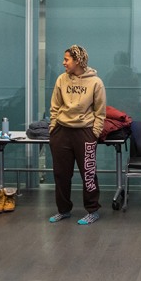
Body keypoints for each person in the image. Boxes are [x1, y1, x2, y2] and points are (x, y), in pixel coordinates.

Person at [48, 44, 107, 225]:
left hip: (84, 132)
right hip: (62, 131)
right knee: (61, 174)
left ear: (78, 61)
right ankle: (63, 210)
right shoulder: (61, 80)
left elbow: (100, 111)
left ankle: (92, 210)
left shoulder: (95, 82)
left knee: (88, 173)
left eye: (67, 59)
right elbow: (55, 106)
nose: (63, 62)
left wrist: (94, 133)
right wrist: (53, 127)